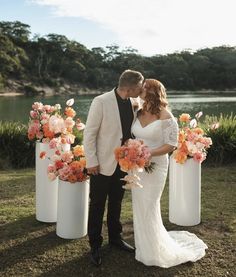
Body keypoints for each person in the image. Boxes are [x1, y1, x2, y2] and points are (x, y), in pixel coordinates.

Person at [131, 79, 208, 268]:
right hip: (136, 165)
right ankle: (143, 245)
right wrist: (132, 151)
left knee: (149, 203)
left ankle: (155, 250)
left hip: (156, 165)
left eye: (144, 87)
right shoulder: (136, 111)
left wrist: (148, 153)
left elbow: (171, 144)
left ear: (152, 92)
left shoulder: (166, 116)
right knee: (139, 203)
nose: (140, 89)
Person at [83, 69, 144, 266]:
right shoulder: (100, 101)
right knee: (97, 204)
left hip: (123, 163)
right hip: (101, 164)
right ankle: (95, 245)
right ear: (131, 87)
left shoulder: (135, 102)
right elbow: (89, 134)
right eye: (140, 86)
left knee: (117, 202)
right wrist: (91, 161)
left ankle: (116, 239)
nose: (141, 89)